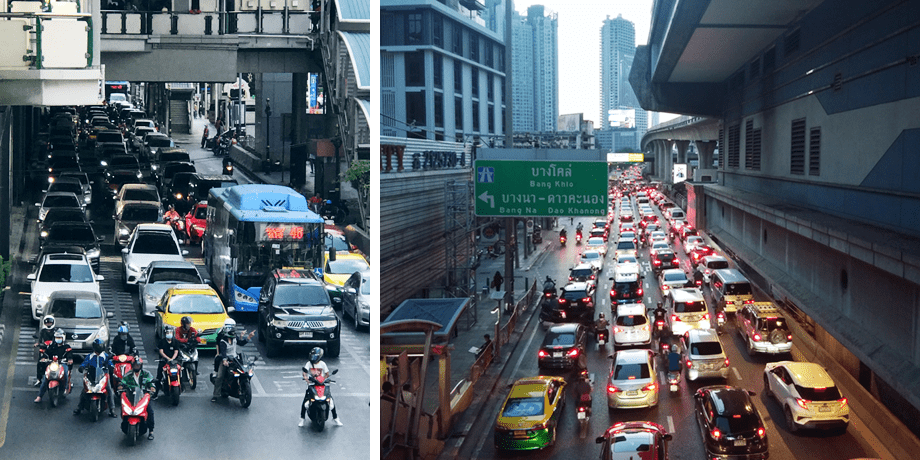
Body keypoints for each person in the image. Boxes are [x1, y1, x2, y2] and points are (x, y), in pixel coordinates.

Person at [212, 319, 255, 402]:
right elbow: (223, 352)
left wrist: (249, 337)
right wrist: (224, 360)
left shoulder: (234, 337)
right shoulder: (223, 340)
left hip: (235, 358)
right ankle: (215, 395)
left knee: (244, 371)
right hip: (226, 360)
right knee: (220, 376)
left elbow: (241, 343)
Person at [299, 347, 342, 427]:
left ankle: (335, 418)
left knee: (330, 401)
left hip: (322, 385)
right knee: (305, 402)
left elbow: (327, 374)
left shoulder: (322, 364)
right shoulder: (308, 364)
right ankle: (302, 419)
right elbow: (304, 373)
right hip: (311, 385)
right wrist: (306, 378)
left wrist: (325, 379)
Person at [74, 339, 116, 418]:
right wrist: (82, 367)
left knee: (110, 391)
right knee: (84, 391)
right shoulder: (90, 356)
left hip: (103, 375)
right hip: (91, 375)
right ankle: (79, 408)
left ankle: (112, 409)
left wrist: (111, 367)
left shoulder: (105, 356)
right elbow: (85, 362)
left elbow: (109, 362)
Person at [118, 358, 156, 440]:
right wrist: (121, 386)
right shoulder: (128, 375)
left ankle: (151, 431)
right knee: (123, 408)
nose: (136, 366)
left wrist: (152, 387)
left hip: (142, 396)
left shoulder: (146, 373)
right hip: (131, 396)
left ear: (141, 366)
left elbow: (151, 382)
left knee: (150, 411)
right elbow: (123, 382)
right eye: (135, 365)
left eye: (138, 365)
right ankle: (125, 424)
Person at [34, 329, 73, 403]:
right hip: (53, 364)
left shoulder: (66, 346)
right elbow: (47, 353)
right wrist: (43, 358)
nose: (58, 339)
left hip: (62, 364)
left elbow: (69, 354)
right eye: (57, 338)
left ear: (63, 338)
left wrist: (69, 359)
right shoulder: (52, 346)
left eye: (59, 338)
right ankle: (39, 396)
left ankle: (66, 388)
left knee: (65, 372)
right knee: (45, 378)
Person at [33, 315, 57, 386]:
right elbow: (40, 340)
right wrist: (38, 344)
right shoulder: (43, 331)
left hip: (53, 349)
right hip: (45, 349)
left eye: (50, 322)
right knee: (40, 363)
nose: (48, 324)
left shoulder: (56, 331)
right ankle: (39, 379)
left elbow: (59, 339)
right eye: (47, 322)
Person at [156, 326, 180, 391]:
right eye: (167, 332)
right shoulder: (162, 342)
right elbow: (161, 351)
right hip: (164, 361)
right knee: (159, 377)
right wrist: (167, 358)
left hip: (173, 362)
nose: (169, 334)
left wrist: (172, 359)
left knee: (179, 371)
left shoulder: (176, 342)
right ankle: (156, 393)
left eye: (170, 332)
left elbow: (176, 351)